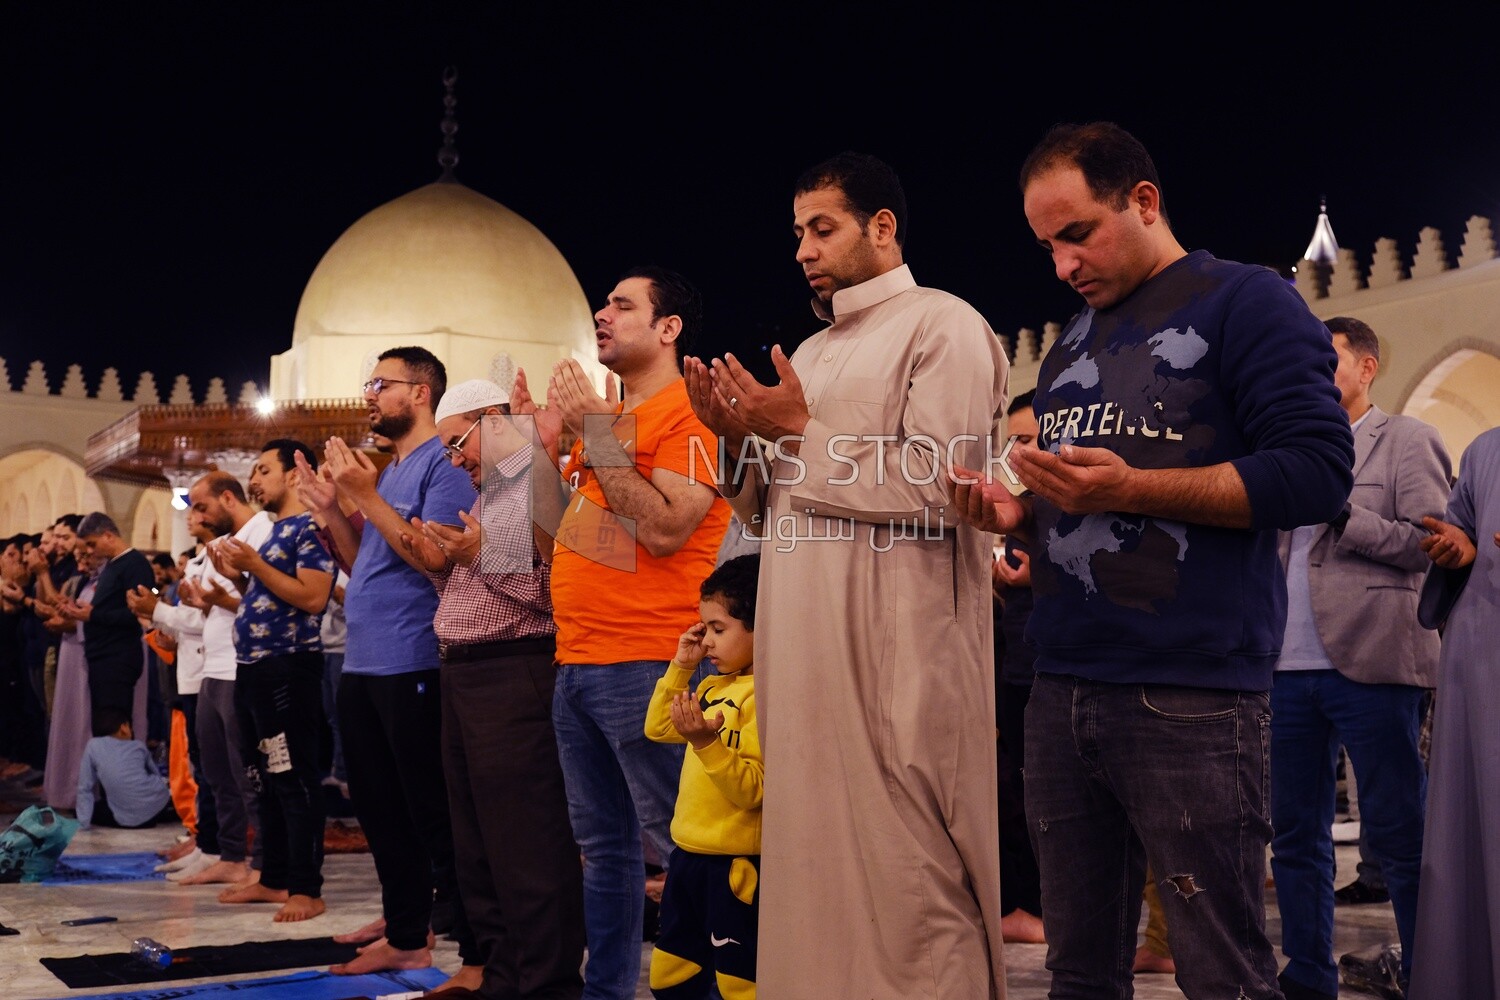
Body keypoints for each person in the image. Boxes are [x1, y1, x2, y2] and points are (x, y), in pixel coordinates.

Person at [950, 121, 1355, 999]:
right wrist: (1019, 514)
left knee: (1221, 969)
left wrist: (1131, 489)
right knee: (1079, 970)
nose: (1062, 264)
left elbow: (1319, 474)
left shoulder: (1245, 301)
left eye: (1078, 233)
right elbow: (1084, 504)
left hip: (1191, 693)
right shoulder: (1071, 343)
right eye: (1047, 245)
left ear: (1143, 200)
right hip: (1062, 685)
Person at [685, 151, 1008, 998]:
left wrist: (794, 430)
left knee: (911, 875)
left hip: (898, 656)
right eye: (797, 233)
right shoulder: (814, 352)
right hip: (806, 658)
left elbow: (948, 487)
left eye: (821, 228)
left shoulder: (946, 326)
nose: (803, 249)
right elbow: (765, 511)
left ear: (882, 227)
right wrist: (734, 435)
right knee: (815, 873)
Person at [510, 264, 729, 1000]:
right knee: (603, 852)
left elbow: (667, 528)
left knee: (689, 847)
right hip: (578, 663)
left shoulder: (688, 415)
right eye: (603, 303)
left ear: (669, 329)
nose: (603, 313)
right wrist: (528, 450)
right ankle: (607, 991)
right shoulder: (607, 430)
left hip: (652, 662)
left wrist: (594, 434)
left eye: (622, 305)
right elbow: (554, 544)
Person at [1269, 316, 1449, 999]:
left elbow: (1430, 544)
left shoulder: (1405, 440)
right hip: (1284, 669)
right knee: (1295, 839)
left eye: (1328, 358)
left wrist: (1342, 512)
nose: (1311, 370)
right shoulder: (1283, 448)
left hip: (1373, 663)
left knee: (1401, 837)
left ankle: (1431, 970)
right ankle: (1308, 978)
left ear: (1366, 367)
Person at [400, 378, 586, 1000]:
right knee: (478, 842)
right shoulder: (493, 488)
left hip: (515, 671)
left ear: (491, 419)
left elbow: (545, 595)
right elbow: (471, 594)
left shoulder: (530, 477)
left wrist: (474, 554)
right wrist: (450, 558)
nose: (458, 461)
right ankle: (503, 978)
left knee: (525, 843)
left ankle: (545, 984)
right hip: (466, 673)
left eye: (458, 444)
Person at [300, 347, 478, 977]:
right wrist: (330, 511)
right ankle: (407, 932)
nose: (369, 394)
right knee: (379, 809)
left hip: (414, 662)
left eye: (382, 383)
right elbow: (362, 564)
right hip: (364, 664)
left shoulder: (443, 466)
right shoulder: (389, 471)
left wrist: (364, 495)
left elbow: (432, 556)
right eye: (369, 382)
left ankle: (472, 953)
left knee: (431, 812)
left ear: (421, 393)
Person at [211, 440, 336, 924]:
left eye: (263, 470)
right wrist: (241, 577)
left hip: (289, 668)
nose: (253, 480)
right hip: (255, 668)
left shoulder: (312, 527)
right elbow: (269, 596)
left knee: (294, 777)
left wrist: (255, 567)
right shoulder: (276, 532)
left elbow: (312, 598)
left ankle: (307, 888)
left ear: (292, 476)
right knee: (263, 779)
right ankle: (274, 877)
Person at [1407, 427, 1500, 999]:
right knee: (1476, 831)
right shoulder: (1485, 449)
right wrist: (1458, 548)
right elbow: (1465, 533)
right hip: (1482, 658)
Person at [644, 554, 762, 1000]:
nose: (707, 641)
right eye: (704, 628)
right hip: (687, 858)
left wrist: (706, 744)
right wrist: (680, 666)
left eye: (719, 629)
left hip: (734, 865)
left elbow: (752, 790)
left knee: (739, 983)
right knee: (670, 977)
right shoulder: (712, 685)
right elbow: (657, 728)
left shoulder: (763, 695)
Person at [992, 389, 1046, 948]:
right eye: (1013, 442)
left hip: (1052, 673)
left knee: (1046, 799)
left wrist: (1039, 576)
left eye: (1027, 439)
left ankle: (1040, 910)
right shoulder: (1025, 501)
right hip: (1021, 667)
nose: (1016, 452)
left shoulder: (1072, 503)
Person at [57, 512, 155, 717]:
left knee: (115, 724)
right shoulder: (112, 565)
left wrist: (93, 616)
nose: (90, 551)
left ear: (108, 536)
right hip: (102, 655)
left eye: (92, 544)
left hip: (118, 657)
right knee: (103, 725)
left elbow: (137, 614)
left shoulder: (135, 564)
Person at [76, 706, 177, 830]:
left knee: (94, 810)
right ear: (123, 727)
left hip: (123, 819)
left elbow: (84, 787)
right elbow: (156, 774)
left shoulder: (93, 746)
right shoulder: (138, 746)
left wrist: (84, 822)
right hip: (154, 810)